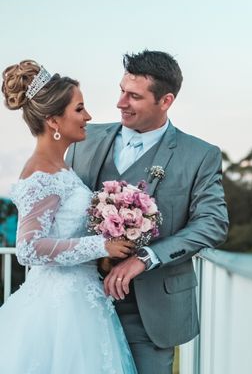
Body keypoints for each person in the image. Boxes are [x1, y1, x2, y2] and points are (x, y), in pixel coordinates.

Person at [66, 50, 229, 374]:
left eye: (134, 96)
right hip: (81, 301)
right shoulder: (84, 139)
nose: (120, 102)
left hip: (153, 312)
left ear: (165, 101)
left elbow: (213, 223)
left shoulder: (199, 155)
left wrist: (146, 258)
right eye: (122, 90)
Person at [0, 59, 137, 373]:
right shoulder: (41, 173)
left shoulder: (60, 167)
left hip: (83, 298)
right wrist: (101, 246)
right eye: (79, 108)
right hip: (60, 312)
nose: (88, 116)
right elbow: (28, 248)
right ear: (53, 121)